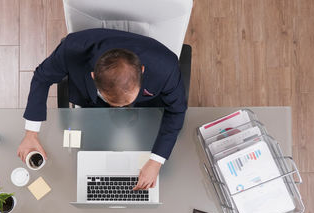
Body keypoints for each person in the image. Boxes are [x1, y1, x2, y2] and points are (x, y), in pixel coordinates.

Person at [17, 28, 187, 190]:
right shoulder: (72, 48)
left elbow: (177, 110)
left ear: (141, 71)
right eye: (114, 101)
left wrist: (156, 161)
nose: (120, 108)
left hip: (144, 109)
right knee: (80, 165)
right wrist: (31, 134)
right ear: (93, 75)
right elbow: (41, 78)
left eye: (125, 101)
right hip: (93, 104)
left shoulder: (166, 67)